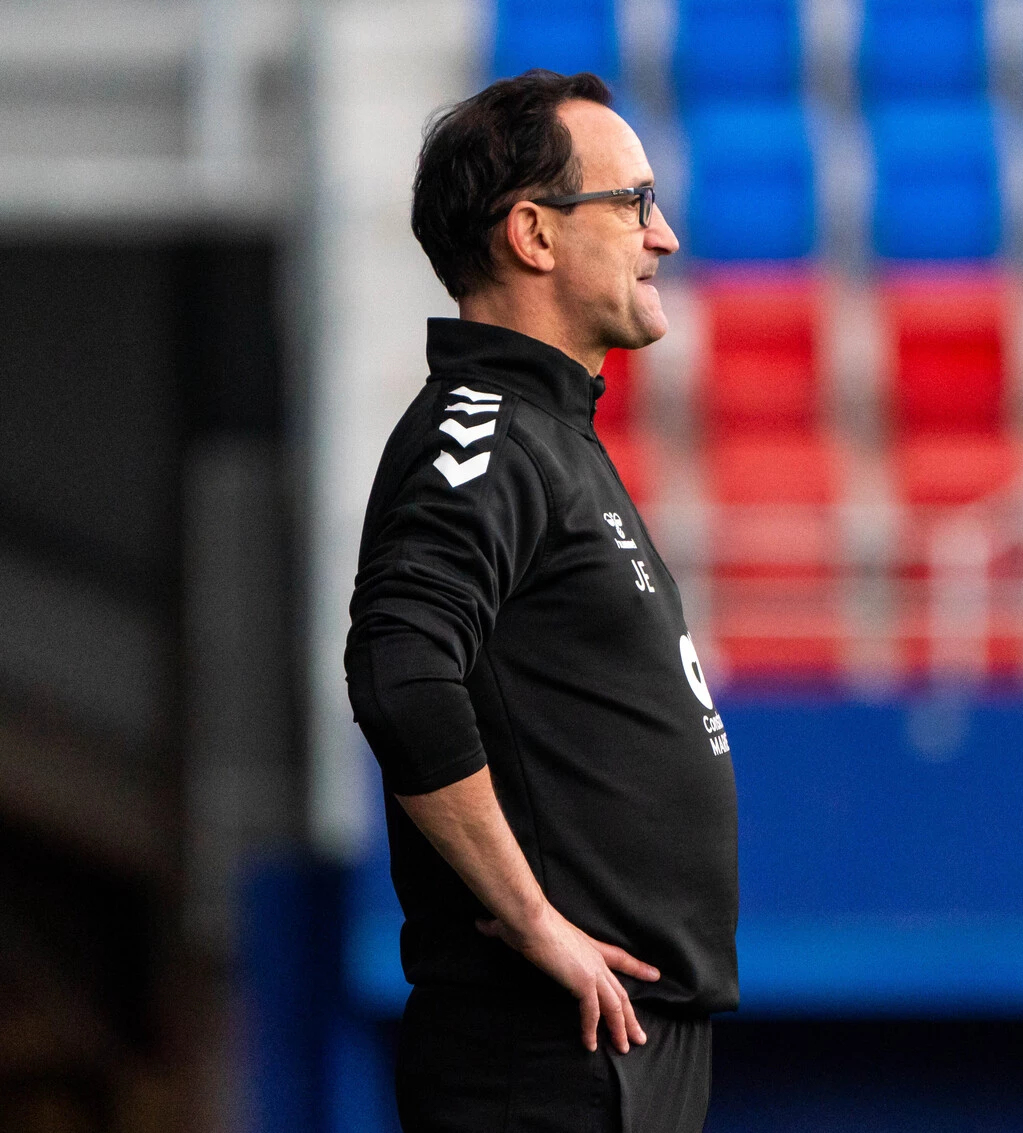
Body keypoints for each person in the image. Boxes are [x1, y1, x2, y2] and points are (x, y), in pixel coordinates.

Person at [345, 69, 737, 1133]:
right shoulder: (480, 430)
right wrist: (529, 918)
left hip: (616, 1040)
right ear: (533, 232)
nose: (662, 237)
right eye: (636, 203)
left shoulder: (549, 434)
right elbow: (399, 667)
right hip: (545, 1046)